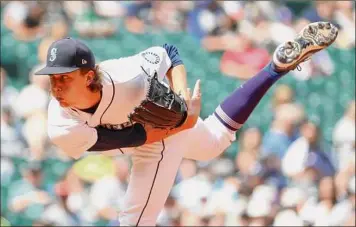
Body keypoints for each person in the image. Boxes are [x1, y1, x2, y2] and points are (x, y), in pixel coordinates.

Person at [35, 21, 338, 226]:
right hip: (143, 133)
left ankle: (274, 69)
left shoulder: (127, 76)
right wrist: (185, 121)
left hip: (158, 135)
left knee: (135, 221)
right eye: (52, 77)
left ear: (89, 76)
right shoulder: (61, 124)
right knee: (214, 143)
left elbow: (169, 51)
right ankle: (273, 69)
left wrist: (182, 98)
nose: (56, 85)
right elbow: (131, 137)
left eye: (64, 77)